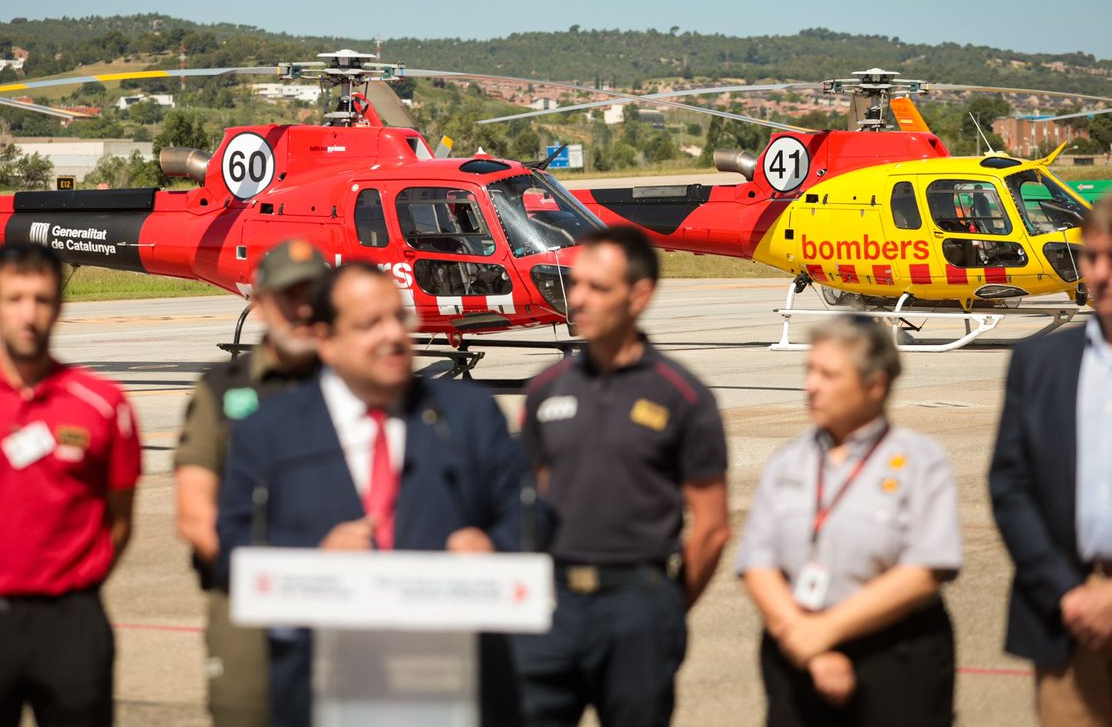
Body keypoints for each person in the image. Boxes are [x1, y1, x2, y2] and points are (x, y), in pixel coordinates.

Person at [216, 261, 525, 727]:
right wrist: (313, 562)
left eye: (398, 318)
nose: (392, 336)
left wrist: (494, 549)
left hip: (457, 684)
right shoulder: (269, 433)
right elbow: (231, 550)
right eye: (368, 324)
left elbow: (528, 518)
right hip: (321, 686)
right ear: (326, 340)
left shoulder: (471, 416)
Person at [0, 243, 141, 727]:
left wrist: (76, 581)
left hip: (71, 624)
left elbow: (119, 519)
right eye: (15, 299)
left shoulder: (102, 406)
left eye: (40, 299)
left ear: (59, 306)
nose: (28, 314)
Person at [515, 225, 732, 727]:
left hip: (637, 606)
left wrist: (664, 610)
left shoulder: (683, 396)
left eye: (599, 288)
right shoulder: (544, 390)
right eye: (577, 284)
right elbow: (531, 501)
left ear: (639, 295)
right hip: (551, 606)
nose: (579, 299)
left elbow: (713, 526)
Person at [737, 315, 961, 726]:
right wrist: (806, 641)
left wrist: (826, 632)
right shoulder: (788, 461)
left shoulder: (920, 463)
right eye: (809, 371)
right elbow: (756, 562)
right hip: (795, 651)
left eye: (828, 374)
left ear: (875, 385)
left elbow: (925, 570)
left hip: (894, 656)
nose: (811, 386)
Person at [173, 238, 327, 727]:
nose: (303, 308)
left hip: (347, 603)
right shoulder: (223, 391)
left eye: (315, 294)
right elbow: (196, 517)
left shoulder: (359, 386)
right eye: (288, 295)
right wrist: (282, 576)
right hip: (247, 604)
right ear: (259, 304)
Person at [989, 194, 1112, 726]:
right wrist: (1068, 592)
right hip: (1067, 618)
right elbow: (1010, 487)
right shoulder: (1037, 363)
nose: (1100, 274)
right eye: (1091, 258)